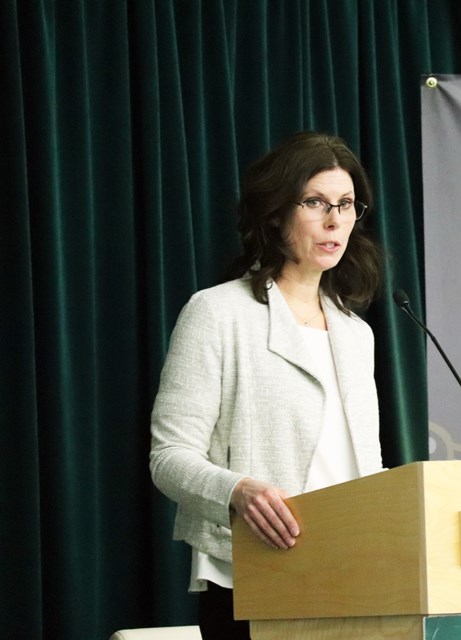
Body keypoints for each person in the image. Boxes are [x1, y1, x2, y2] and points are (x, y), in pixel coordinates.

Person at [149, 132, 385, 640]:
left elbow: (362, 466)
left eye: (346, 205)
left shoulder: (356, 332)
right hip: (253, 575)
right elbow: (168, 457)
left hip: (354, 576)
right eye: (314, 202)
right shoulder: (217, 313)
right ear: (276, 214)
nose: (334, 220)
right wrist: (237, 489)